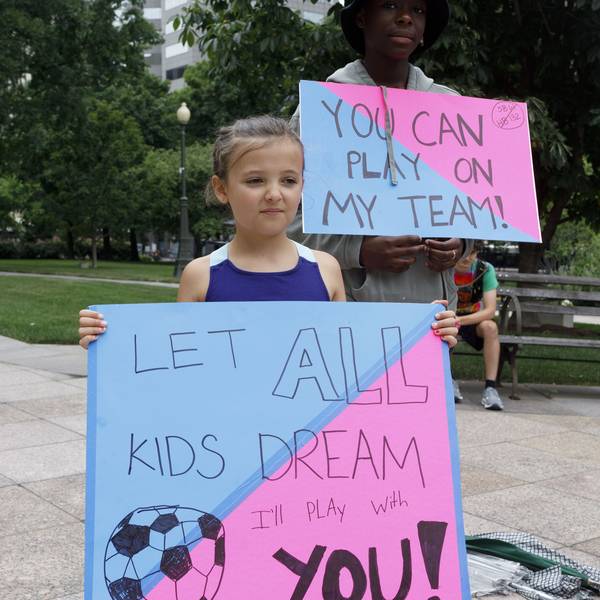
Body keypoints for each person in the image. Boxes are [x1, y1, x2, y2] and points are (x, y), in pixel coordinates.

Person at [78, 115, 459, 348]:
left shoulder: (325, 269)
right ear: (222, 188)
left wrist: (424, 334)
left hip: (312, 450)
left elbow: (349, 354)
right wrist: (108, 339)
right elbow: (180, 363)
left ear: (303, 187)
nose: (274, 194)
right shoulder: (201, 276)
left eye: (289, 180)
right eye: (255, 180)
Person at [289, 0, 471, 309]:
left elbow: (479, 209)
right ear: (362, 18)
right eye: (389, 5)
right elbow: (287, 221)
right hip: (350, 315)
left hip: (435, 319)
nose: (405, 18)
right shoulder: (321, 109)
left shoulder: (449, 108)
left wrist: (461, 245)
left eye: (418, 10)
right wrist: (357, 250)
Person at [452, 242, 504, 410]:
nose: (468, 257)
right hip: (446, 315)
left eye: (473, 252)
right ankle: (447, 380)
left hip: (471, 318)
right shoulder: (443, 266)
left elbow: (490, 311)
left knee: (491, 328)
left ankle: (490, 387)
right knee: (442, 329)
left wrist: (458, 321)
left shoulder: (484, 269)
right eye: (464, 252)